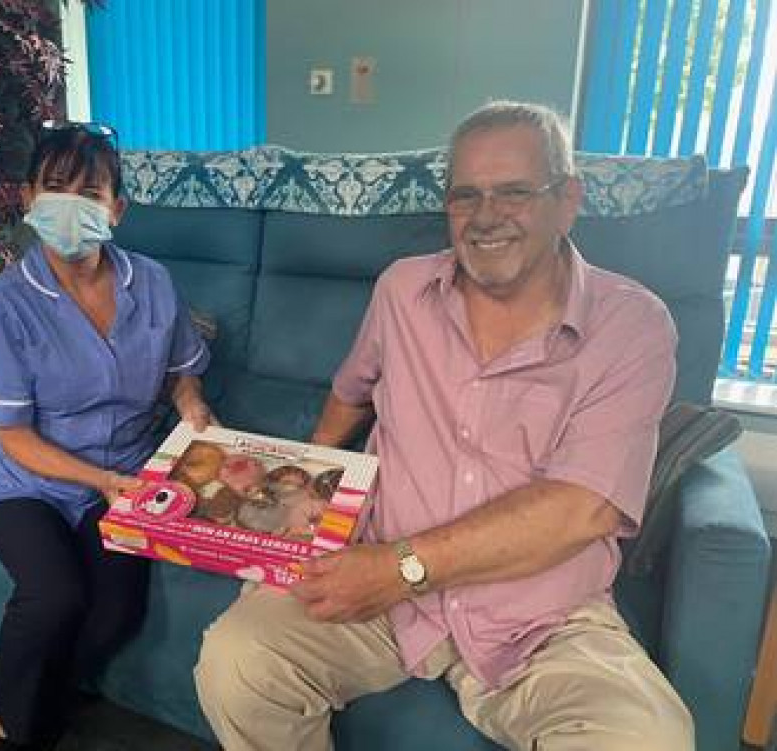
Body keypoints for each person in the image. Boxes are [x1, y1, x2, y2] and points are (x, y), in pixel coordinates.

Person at [194, 101, 694, 751]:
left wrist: (399, 567)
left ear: (569, 198)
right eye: (467, 196)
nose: (487, 216)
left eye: (515, 192)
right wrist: (308, 484)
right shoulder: (402, 290)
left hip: (541, 615)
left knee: (647, 737)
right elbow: (351, 391)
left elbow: (582, 509)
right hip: (377, 591)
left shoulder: (633, 325)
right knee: (237, 660)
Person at [0, 121, 213, 751]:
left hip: (127, 475)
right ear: (27, 199)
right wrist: (102, 481)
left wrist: (195, 413)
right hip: (26, 484)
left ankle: (41, 713)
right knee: (54, 598)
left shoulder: (151, 282)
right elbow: (13, 438)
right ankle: (6, 729)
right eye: (54, 188)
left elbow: (183, 372)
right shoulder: (4, 303)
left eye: (91, 193)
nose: (71, 206)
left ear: (117, 209)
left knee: (115, 615)